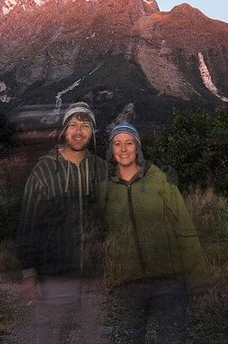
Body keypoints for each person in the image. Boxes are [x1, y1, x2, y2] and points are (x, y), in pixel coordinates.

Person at [105, 121, 211, 343]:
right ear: (111, 149)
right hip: (128, 285)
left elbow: (184, 227)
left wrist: (197, 279)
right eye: (117, 143)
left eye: (129, 142)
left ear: (138, 147)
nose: (123, 149)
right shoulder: (105, 189)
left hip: (168, 281)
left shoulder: (160, 180)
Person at [15, 102, 109, 343]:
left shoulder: (101, 170)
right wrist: (29, 271)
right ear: (64, 130)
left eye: (85, 126)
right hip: (53, 276)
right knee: (50, 335)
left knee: (92, 335)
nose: (79, 132)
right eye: (73, 126)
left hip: (92, 275)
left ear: (93, 132)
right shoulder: (45, 170)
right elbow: (28, 222)